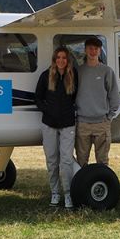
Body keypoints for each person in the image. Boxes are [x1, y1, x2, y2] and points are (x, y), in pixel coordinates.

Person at [35, 46, 78, 209]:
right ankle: (55, 193)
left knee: (66, 161)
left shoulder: (73, 76)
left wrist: (67, 110)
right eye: (58, 57)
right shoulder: (46, 76)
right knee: (52, 160)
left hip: (68, 124)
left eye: (64, 58)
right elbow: (38, 98)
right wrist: (48, 110)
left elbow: (74, 96)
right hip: (49, 124)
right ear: (54, 60)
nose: (61, 60)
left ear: (68, 61)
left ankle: (68, 194)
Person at [75, 36, 118, 167]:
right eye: (90, 48)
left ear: (100, 51)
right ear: (85, 50)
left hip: (101, 123)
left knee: (103, 160)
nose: (93, 51)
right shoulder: (78, 71)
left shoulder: (106, 71)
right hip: (83, 123)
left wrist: (109, 116)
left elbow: (114, 95)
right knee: (81, 160)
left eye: (96, 49)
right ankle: (81, 186)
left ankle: (102, 183)